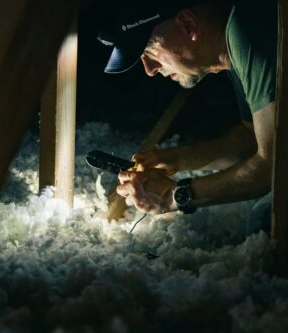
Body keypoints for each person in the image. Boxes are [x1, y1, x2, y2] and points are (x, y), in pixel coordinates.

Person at [96, 0, 278, 219]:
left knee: (263, 221)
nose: (150, 70)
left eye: (150, 50)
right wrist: (178, 159)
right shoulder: (232, 43)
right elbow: (252, 139)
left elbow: (274, 166)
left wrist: (172, 197)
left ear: (188, 25)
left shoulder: (246, 32)